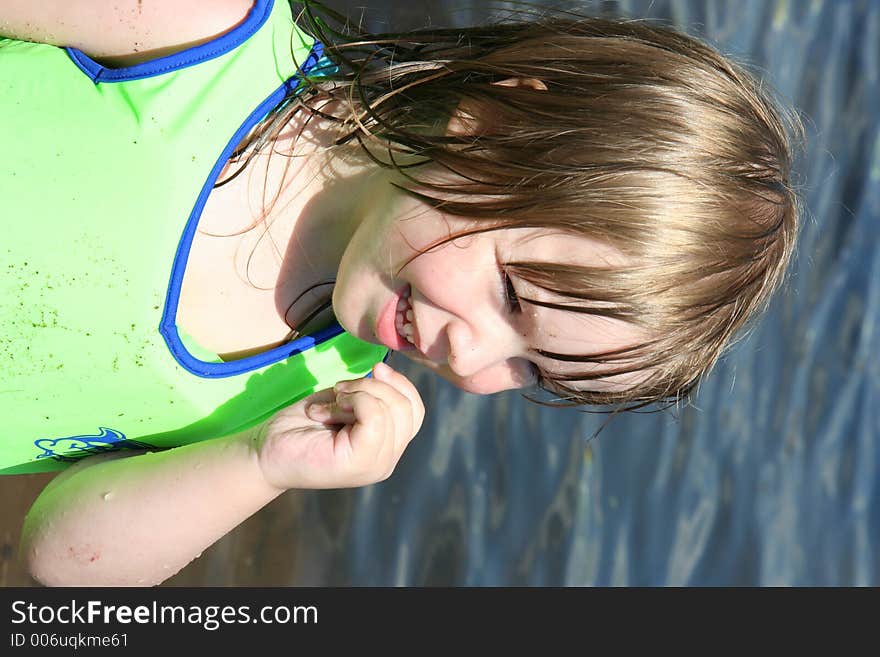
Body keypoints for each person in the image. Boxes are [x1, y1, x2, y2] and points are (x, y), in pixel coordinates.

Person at [1, 0, 800, 585]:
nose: (474, 356)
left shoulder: (299, 396)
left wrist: (260, 462)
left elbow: (61, 556)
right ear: (494, 120)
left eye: (531, 372)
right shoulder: (206, 38)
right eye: (514, 297)